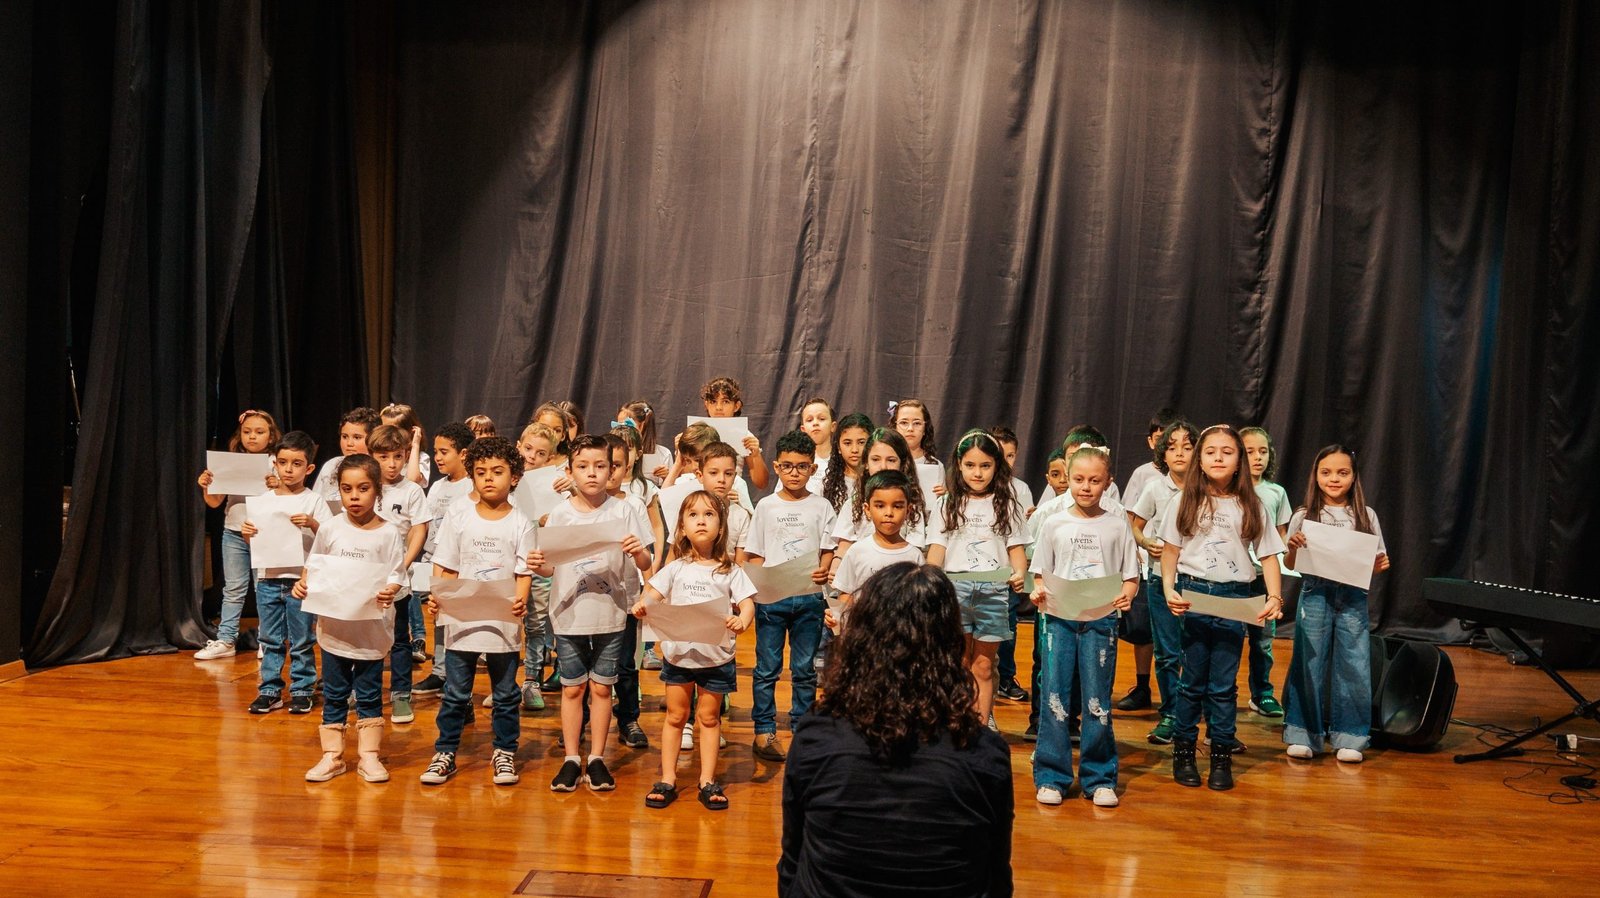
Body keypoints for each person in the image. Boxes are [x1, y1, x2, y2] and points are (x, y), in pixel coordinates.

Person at [780, 562, 1013, 897]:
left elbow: (792, 859)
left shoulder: (818, 734)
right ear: (951, 640)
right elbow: (996, 877)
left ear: (863, 633)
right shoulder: (984, 752)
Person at [1158, 424, 1286, 791]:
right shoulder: (1184, 500)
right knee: (1192, 682)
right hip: (1194, 595)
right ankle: (1183, 751)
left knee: (1223, 685)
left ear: (1239, 461)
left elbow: (1269, 555)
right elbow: (1171, 551)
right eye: (1210, 451)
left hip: (1235, 597)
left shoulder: (1252, 503)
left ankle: (1221, 755)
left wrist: (1275, 597)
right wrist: (1169, 589)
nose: (1217, 457)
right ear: (1200, 458)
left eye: (1227, 452)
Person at [533, 435, 653, 793]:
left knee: (602, 688)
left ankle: (597, 758)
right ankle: (572, 758)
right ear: (569, 471)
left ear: (613, 469)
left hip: (611, 613)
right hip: (569, 613)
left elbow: (646, 562)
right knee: (572, 689)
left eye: (601, 466)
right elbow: (550, 569)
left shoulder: (625, 509)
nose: (592, 474)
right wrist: (539, 565)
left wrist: (638, 552)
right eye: (583, 466)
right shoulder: (560, 513)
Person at [419, 436, 534, 786]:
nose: (488, 479)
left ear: (514, 477)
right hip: (461, 620)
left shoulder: (522, 523)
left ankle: (504, 751)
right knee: (455, 692)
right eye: (481, 472)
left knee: (505, 694)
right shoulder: (459, 516)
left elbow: (523, 571)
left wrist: (520, 600)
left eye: (497, 472)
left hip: (503, 624)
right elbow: (445, 564)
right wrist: (437, 597)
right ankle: (446, 752)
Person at [1029, 446, 1139, 807]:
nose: (1086, 487)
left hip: (1100, 622)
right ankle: (1052, 776)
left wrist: (1126, 594)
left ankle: (1099, 777)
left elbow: (1130, 575)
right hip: (1059, 620)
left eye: (1095, 480)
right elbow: (1040, 572)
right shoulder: (1055, 523)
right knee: (1055, 697)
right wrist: (1039, 592)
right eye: (1079, 479)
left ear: (1108, 482)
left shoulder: (1116, 523)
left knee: (1096, 700)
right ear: (1067, 479)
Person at [632, 490, 756, 810]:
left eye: (709, 514)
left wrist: (742, 620)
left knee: (709, 718)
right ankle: (669, 778)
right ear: (682, 527)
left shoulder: (730, 571)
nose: (701, 520)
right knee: (676, 716)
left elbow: (746, 604)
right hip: (679, 656)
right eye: (693, 515)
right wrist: (642, 606)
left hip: (717, 658)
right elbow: (653, 594)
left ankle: (707, 780)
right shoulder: (676, 568)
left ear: (721, 525)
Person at [298, 455, 405, 783]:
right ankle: (332, 755)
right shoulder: (330, 528)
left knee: (370, 692)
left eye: (363, 488)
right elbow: (314, 565)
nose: (354, 496)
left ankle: (368, 756)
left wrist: (389, 590)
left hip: (370, 632)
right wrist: (304, 584)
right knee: (334, 691)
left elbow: (397, 573)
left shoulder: (389, 533)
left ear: (378, 491)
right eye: (347, 489)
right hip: (335, 630)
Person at [1282, 445, 1390, 763]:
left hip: (1353, 596)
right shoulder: (1304, 514)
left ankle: (1351, 736)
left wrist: (1379, 564)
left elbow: (1376, 560)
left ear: (1354, 476)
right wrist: (1292, 546)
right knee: (1309, 662)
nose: (1334, 479)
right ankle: (1304, 733)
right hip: (1315, 593)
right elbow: (1291, 562)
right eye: (1326, 472)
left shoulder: (1365, 515)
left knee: (1354, 664)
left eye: (1342, 472)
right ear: (1315, 476)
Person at [741, 431, 835, 762]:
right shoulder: (766, 506)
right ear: (777, 467)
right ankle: (764, 731)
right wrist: (761, 586)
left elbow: (828, 549)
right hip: (772, 600)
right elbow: (753, 554)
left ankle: (803, 728)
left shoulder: (822, 506)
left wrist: (824, 571)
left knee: (805, 668)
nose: (795, 472)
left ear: (812, 469)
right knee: (767, 668)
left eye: (802, 466)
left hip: (809, 598)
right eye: (788, 466)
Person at [927, 430, 1028, 724]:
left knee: (983, 666)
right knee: (959, 663)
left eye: (985, 465)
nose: (978, 473)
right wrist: (931, 583)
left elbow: (1016, 549)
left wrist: (1019, 572)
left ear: (997, 466)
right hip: (955, 589)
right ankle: (956, 724)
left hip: (993, 590)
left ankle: (981, 729)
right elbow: (937, 548)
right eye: (970, 465)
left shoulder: (1007, 503)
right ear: (959, 465)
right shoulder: (947, 503)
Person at [241, 430, 331, 714]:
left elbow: (330, 537)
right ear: (274, 464)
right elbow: (256, 539)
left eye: (296, 464)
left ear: (309, 468)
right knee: (269, 638)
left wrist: (313, 524)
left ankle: (303, 688)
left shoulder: (313, 500)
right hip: (268, 578)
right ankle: (269, 689)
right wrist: (247, 533)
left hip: (301, 581)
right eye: (283, 463)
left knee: (302, 638)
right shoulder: (262, 500)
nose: (289, 470)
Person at [1123, 420, 1199, 741]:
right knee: (1167, 651)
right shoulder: (1155, 488)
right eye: (1172, 447)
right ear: (1162, 454)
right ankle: (1170, 713)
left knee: (1196, 649)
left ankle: (1194, 710)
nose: (1180, 453)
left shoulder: (1207, 488)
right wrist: (1144, 541)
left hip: (1198, 579)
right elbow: (1133, 525)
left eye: (1187, 446)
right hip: (1159, 577)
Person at [194, 409, 280, 660]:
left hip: (264, 533)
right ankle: (226, 639)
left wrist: (278, 485)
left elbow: (289, 498)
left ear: (271, 436)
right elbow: (214, 502)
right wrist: (207, 486)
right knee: (233, 588)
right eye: (247, 431)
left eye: (259, 432)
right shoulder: (230, 461)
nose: (252, 436)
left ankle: (268, 639)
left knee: (263, 587)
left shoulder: (276, 462)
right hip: (233, 531)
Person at [410, 423, 477, 697]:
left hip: (461, 564)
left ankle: (459, 676)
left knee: (460, 620)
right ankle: (440, 672)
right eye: (436, 451)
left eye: (444, 452)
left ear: (463, 454)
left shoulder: (472, 485)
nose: (437, 457)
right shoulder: (437, 486)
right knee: (438, 617)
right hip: (434, 560)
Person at [368, 424, 428, 726]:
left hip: (397, 578)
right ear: (371, 456)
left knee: (400, 638)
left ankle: (401, 693)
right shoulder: (365, 485)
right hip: (365, 576)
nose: (391, 464)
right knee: (367, 633)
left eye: (397, 456)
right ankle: (365, 690)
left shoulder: (412, 490)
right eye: (383, 457)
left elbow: (420, 528)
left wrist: (403, 564)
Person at [827, 470, 925, 630]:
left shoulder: (915, 556)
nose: (888, 513)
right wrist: (838, 618)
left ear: (908, 510)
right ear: (867, 509)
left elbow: (919, 603)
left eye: (897, 506)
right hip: (864, 637)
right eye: (880, 506)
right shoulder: (857, 551)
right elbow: (846, 595)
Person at [1240, 425, 1293, 719]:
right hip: (1235, 579)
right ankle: (1220, 696)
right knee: (1229, 641)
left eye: (1262, 451)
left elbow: (1281, 536)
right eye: (1249, 452)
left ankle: (1262, 694)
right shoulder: (1230, 491)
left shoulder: (1276, 493)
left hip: (1263, 580)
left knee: (1262, 641)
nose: (1257, 458)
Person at [989, 425, 1034, 706]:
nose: (1006, 461)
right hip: (981, 573)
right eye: (1000, 454)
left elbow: (1025, 533)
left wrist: (1021, 569)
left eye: (1010, 455)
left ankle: (1006, 677)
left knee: (1008, 626)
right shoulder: (974, 487)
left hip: (1009, 572)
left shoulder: (1021, 489)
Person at [701, 375, 770, 491]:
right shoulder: (697, 434)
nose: (718, 407)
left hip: (732, 497)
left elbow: (761, 483)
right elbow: (684, 477)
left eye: (725, 402)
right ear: (707, 404)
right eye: (713, 401)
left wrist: (756, 454)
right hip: (700, 499)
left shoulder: (744, 436)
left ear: (736, 406)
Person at [313, 406, 381, 504]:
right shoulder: (331, 465)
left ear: (373, 439)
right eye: (344, 436)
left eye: (357, 437)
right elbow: (317, 502)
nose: (349, 443)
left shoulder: (379, 469)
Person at [618, 398, 673, 486]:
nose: (620, 430)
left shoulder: (663, 454)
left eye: (626, 425)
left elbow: (668, 492)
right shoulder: (612, 451)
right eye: (618, 425)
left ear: (643, 425)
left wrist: (666, 477)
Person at [797, 398, 836, 494]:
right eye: (809, 420)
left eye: (821, 419)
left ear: (833, 426)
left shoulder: (843, 462)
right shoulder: (795, 461)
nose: (815, 423)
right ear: (803, 429)